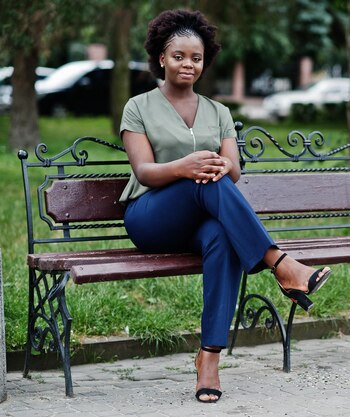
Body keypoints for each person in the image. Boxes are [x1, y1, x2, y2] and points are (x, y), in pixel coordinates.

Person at [119, 9, 331, 404]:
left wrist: (218, 163)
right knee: (204, 180)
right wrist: (187, 166)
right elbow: (145, 172)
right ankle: (282, 264)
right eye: (179, 56)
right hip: (151, 218)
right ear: (161, 58)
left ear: (204, 62)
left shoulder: (219, 112)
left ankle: (209, 360)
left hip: (203, 220)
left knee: (223, 235)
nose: (188, 64)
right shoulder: (138, 107)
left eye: (195, 58)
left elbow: (232, 169)